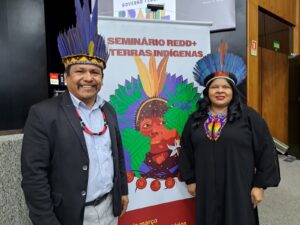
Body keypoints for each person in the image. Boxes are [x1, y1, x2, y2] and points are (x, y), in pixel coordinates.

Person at [21, 0, 128, 225]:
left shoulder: (108, 110)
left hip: (110, 208)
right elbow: (34, 177)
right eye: (80, 71)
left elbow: (116, 155)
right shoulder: (43, 114)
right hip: (70, 215)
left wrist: (122, 191)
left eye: (95, 72)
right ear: (67, 76)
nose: (88, 78)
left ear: (102, 78)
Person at [178, 40, 280, 225]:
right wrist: (191, 179)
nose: (220, 91)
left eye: (225, 87)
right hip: (207, 190)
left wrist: (259, 185)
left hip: (239, 190)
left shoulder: (249, 117)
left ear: (233, 91)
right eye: (215, 87)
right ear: (207, 91)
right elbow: (186, 150)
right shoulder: (195, 120)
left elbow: (266, 150)